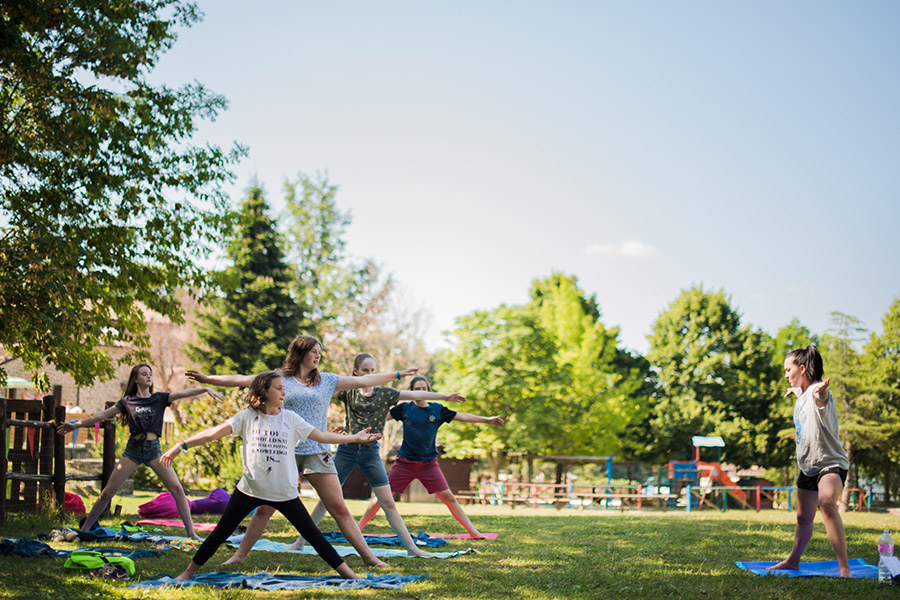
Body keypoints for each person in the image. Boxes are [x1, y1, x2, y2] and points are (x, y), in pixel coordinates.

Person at [186, 334, 416, 566]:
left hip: (317, 450)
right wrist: (208, 379)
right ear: (300, 352)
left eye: (319, 352)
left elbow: (364, 381)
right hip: (284, 452)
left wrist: (397, 375)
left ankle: (369, 558)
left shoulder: (327, 380)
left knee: (339, 508)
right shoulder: (280, 379)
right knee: (265, 508)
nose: (318, 356)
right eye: (314, 351)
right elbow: (242, 379)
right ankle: (239, 556)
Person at [160, 370, 379, 580]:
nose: (284, 392)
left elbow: (322, 436)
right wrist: (181, 446)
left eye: (284, 388)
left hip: (284, 494)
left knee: (314, 536)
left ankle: (349, 574)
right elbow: (213, 433)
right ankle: (188, 572)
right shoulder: (247, 417)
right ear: (264, 391)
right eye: (278, 388)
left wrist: (354, 438)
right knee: (220, 533)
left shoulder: (291, 418)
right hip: (249, 490)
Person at [296, 353, 466, 557]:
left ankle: (412, 549)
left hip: (371, 453)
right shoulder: (347, 392)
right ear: (355, 372)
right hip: (346, 451)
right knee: (326, 500)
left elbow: (412, 395)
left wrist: (445, 397)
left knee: (388, 503)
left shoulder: (384, 393)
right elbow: (316, 393)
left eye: (373, 371)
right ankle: (299, 542)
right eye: (365, 370)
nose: (369, 374)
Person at [56, 364, 224, 539]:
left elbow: (182, 394)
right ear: (136, 379)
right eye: (144, 374)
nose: (149, 376)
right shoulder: (127, 401)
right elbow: (101, 416)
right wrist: (75, 425)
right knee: (107, 493)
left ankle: (192, 534)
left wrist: (205, 388)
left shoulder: (159, 398)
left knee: (177, 489)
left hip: (154, 450)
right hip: (133, 450)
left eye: (150, 373)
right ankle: (85, 529)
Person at [358, 376, 504, 539]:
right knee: (381, 497)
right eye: (417, 389)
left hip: (428, 465)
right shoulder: (404, 408)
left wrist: (487, 420)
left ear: (429, 391)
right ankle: (357, 529)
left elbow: (462, 416)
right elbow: (378, 419)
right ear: (411, 392)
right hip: (404, 464)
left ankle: (474, 532)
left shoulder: (437, 410)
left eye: (424, 389)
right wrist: (353, 426)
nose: (420, 392)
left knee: (449, 498)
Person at [768, 345, 851, 577]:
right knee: (803, 518)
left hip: (830, 464)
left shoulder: (817, 392)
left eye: (788, 370)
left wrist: (821, 394)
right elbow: (803, 394)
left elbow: (820, 399)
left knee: (827, 502)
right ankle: (793, 560)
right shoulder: (803, 394)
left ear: (802, 369)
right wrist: (796, 391)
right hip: (808, 467)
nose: (786, 375)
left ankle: (844, 568)